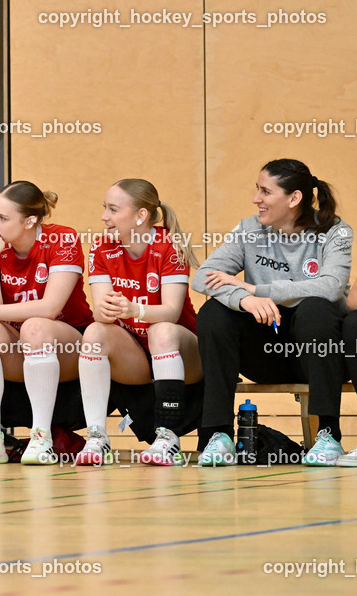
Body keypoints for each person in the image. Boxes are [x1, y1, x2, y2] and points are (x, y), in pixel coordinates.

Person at [193, 159, 350, 467]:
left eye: (265, 191)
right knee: (214, 312)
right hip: (266, 349)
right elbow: (204, 276)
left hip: (317, 352)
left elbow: (331, 287)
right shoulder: (250, 229)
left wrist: (259, 291)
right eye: (257, 190)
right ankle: (218, 435)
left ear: (293, 199)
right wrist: (243, 299)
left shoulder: (335, 231)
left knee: (316, 309)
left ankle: (328, 435)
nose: (257, 199)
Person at [0, 181, 93, 465]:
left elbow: (51, 307)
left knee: (35, 325)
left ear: (30, 221)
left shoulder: (62, 239)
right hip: (19, 343)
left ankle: (42, 439)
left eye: (2, 218)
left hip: (69, 343)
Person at [77, 179, 201, 466]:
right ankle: (96, 438)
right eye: (104, 208)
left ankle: (168, 438)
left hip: (185, 353)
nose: (104, 217)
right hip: (136, 354)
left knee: (161, 330)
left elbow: (171, 311)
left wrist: (134, 308)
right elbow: (99, 311)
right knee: (95, 332)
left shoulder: (168, 245)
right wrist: (105, 311)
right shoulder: (101, 247)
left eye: (112, 209)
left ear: (140, 215)